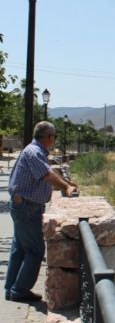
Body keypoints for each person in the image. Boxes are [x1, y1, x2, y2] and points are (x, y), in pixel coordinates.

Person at [5, 121, 77, 302]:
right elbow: (47, 174)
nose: (55, 140)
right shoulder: (35, 152)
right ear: (49, 137)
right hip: (27, 208)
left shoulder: (33, 150)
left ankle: (11, 289)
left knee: (20, 249)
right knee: (35, 250)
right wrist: (66, 187)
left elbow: (49, 172)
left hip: (23, 206)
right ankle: (19, 290)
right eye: (54, 137)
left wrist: (65, 183)